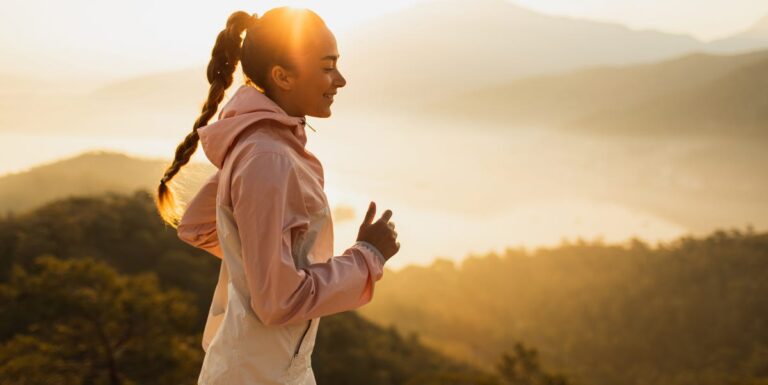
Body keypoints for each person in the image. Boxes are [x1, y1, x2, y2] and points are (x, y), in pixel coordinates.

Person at [153, 7, 401, 385]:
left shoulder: (261, 146)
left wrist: (261, 258)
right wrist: (367, 256)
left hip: (265, 365)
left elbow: (198, 226)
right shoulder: (267, 155)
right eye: (327, 66)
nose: (341, 80)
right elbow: (279, 301)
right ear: (282, 76)